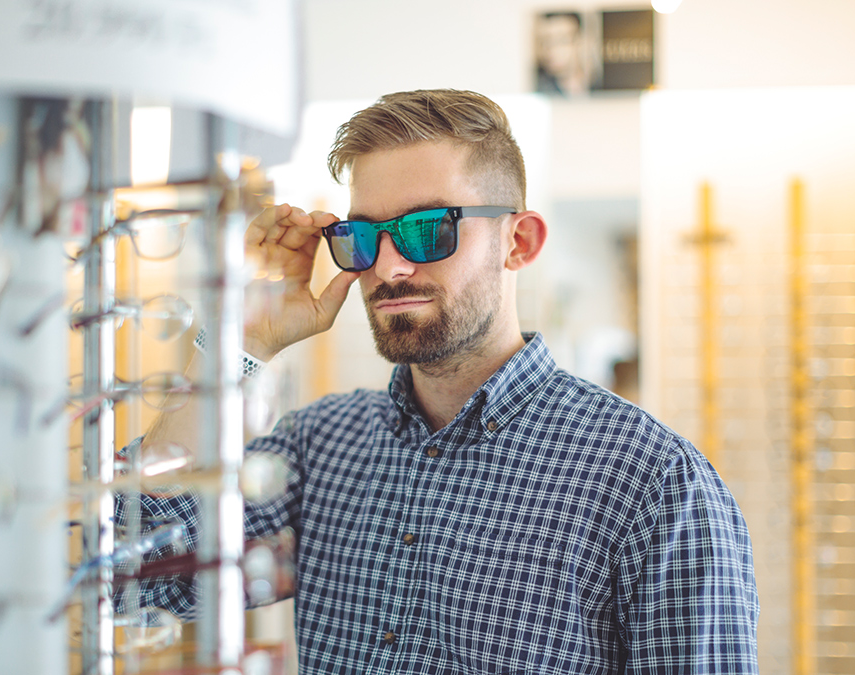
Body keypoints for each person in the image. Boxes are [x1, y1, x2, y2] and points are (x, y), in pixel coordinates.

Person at [120, 89, 759, 673]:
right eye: (364, 236)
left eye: (428, 229)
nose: (390, 267)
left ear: (520, 241)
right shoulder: (321, 444)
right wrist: (238, 342)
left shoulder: (653, 483)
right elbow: (129, 569)